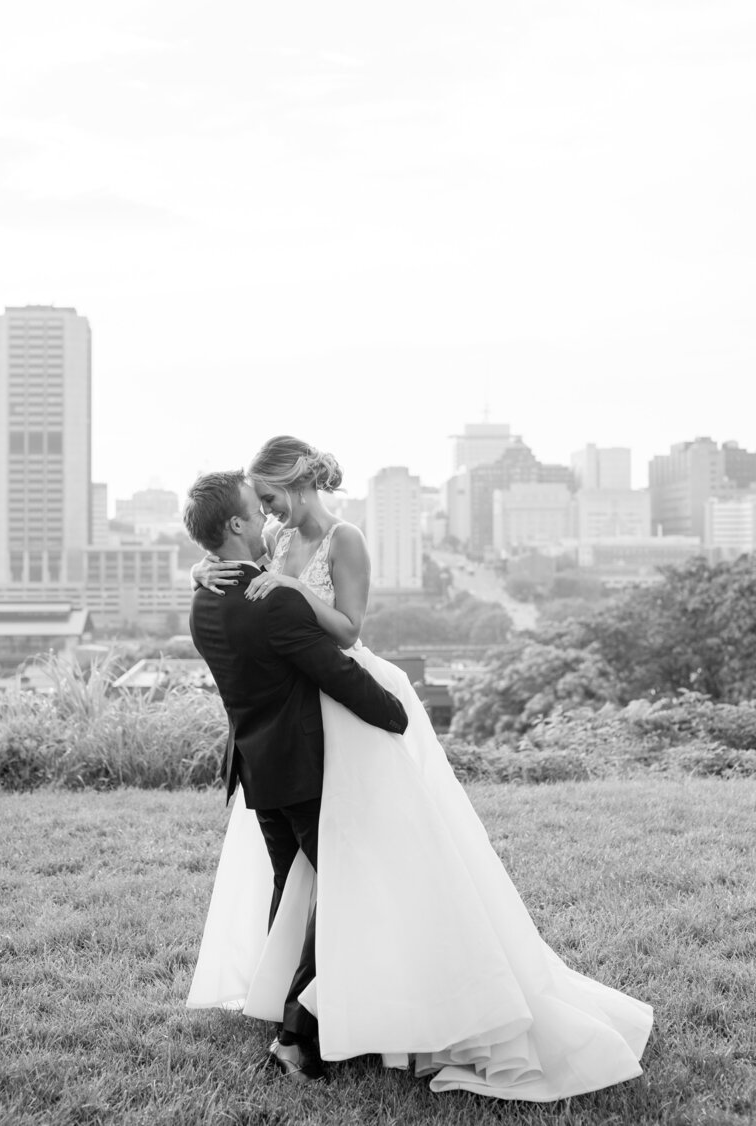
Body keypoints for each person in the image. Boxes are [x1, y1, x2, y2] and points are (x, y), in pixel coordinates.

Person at [187, 436, 653, 1101]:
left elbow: (345, 630)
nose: (268, 515)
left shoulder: (343, 541)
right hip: (306, 719)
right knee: (312, 883)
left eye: (270, 500)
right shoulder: (278, 544)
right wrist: (211, 569)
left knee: (353, 874)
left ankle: (314, 1021)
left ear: (295, 486)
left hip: (347, 698)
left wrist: (287, 589)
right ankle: (312, 1017)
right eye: (257, 506)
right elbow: (243, 582)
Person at [182, 469, 408, 1082]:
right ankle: (295, 1035)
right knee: (334, 891)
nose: (268, 521)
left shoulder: (203, 598)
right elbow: (337, 673)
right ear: (234, 525)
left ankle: (280, 1001)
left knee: (292, 890)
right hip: (302, 768)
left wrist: (201, 568)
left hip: (257, 767)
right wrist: (396, 712)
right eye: (256, 513)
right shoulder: (273, 599)